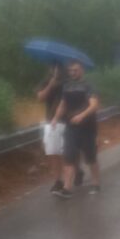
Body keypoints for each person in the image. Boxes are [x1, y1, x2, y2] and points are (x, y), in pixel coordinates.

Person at [50, 61, 100, 199]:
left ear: (82, 70)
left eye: (75, 70)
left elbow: (94, 105)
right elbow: (63, 104)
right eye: (71, 70)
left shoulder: (88, 85)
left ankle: (96, 184)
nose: (73, 73)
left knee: (91, 158)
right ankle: (67, 188)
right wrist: (55, 118)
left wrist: (81, 115)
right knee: (69, 156)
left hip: (88, 127)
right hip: (71, 127)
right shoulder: (67, 86)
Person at [37, 65, 84, 193]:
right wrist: (51, 85)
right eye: (53, 68)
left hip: (68, 121)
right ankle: (58, 181)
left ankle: (74, 173)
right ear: (50, 70)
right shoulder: (46, 82)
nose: (56, 71)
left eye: (58, 69)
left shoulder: (69, 82)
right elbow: (40, 98)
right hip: (51, 122)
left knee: (68, 152)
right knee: (53, 153)